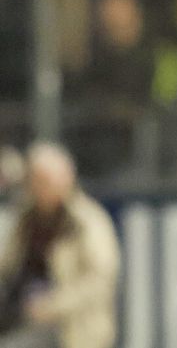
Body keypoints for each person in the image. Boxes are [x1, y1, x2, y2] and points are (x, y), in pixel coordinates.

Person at [0, 142, 121, 348]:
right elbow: (7, 264)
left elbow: (100, 281)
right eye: (34, 180)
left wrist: (52, 305)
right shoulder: (25, 218)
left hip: (71, 329)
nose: (38, 188)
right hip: (20, 315)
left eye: (45, 181)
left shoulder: (87, 220)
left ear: (66, 179)